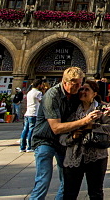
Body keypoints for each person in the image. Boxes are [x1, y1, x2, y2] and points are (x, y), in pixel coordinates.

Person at [29, 67, 105, 200]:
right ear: (65, 82)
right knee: (43, 181)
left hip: (63, 141)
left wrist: (106, 109)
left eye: (80, 84)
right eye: (76, 84)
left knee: (66, 182)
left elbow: (92, 102)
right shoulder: (52, 96)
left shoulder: (75, 93)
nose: (79, 88)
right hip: (45, 140)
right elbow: (56, 128)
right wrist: (84, 121)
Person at [61, 79, 110, 200]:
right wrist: (73, 136)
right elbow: (62, 132)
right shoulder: (71, 109)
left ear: (94, 93)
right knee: (70, 193)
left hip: (96, 156)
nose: (83, 92)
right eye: (81, 89)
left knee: (96, 192)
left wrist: (93, 127)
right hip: (74, 155)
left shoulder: (101, 109)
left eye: (87, 89)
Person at [20, 79, 46, 152]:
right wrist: (43, 92)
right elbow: (43, 102)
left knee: (25, 130)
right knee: (32, 130)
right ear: (39, 85)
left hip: (28, 113)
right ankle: (30, 146)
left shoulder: (29, 92)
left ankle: (22, 147)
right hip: (34, 113)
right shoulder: (38, 93)